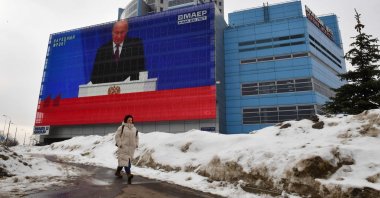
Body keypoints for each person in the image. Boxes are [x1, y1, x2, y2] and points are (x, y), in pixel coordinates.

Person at [91, 20, 146, 84]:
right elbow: (95, 77)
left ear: (126, 32)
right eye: (116, 33)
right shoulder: (102, 50)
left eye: (122, 32)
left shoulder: (135, 44)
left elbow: (140, 70)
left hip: (129, 89)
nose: (119, 36)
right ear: (112, 32)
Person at [114, 114, 139, 184]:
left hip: (131, 149)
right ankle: (129, 174)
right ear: (126, 120)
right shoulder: (121, 128)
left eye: (131, 120)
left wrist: (136, 144)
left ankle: (117, 172)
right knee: (126, 162)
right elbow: (117, 136)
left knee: (124, 162)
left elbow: (137, 137)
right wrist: (120, 144)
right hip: (123, 148)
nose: (130, 121)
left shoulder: (135, 129)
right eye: (129, 120)